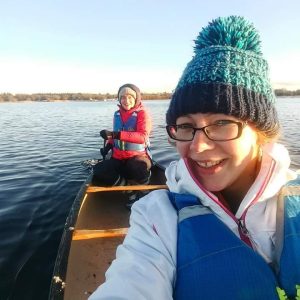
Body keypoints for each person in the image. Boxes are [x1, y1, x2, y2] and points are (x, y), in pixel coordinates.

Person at [89, 16, 300, 299]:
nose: (197, 148)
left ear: (261, 131)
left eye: (222, 123)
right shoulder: (156, 218)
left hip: (137, 158)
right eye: (186, 126)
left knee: (139, 170)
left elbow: (141, 137)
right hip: (121, 156)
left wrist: (119, 139)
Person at [93, 83, 152, 206]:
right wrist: (108, 146)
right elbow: (113, 136)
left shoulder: (142, 113)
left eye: (130, 97)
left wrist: (115, 135)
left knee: (138, 167)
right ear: (119, 99)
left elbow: (142, 137)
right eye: (123, 97)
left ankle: (145, 190)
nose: (126, 100)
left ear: (136, 98)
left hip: (137, 157)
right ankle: (130, 191)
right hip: (118, 158)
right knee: (99, 170)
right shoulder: (117, 114)